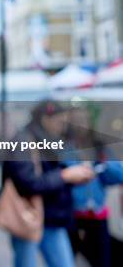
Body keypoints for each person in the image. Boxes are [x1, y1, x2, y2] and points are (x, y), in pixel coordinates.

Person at [2, 100, 95, 267]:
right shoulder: (23, 141)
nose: (62, 126)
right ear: (46, 119)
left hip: (52, 218)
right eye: (59, 121)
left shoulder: (52, 140)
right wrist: (65, 176)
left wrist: (75, 176)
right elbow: (27, 183)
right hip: (28, 217)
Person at [64, 105, 123, 267]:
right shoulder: (63, 148)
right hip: (72, 215)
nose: (80, 125)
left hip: (97, 215)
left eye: (83, 120)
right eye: (76, 121)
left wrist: (103, 164)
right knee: (67, 260)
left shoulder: (99, 147)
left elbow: (118, 176)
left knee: (103, 261)